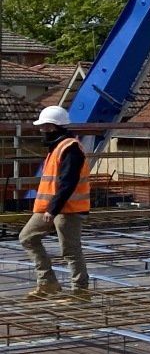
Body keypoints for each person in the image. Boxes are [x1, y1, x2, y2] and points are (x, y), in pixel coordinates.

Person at [19, 105, 91, 301]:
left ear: (55, 127)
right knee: (27, 237)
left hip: (68, 209)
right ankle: (47, 283)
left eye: (45, 127)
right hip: (51, 207)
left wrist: (53, 208)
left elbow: (68, 183)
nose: (42, 131)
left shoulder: (71, 149)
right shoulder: (57, 147)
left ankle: (80, 292)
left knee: (70, 250)